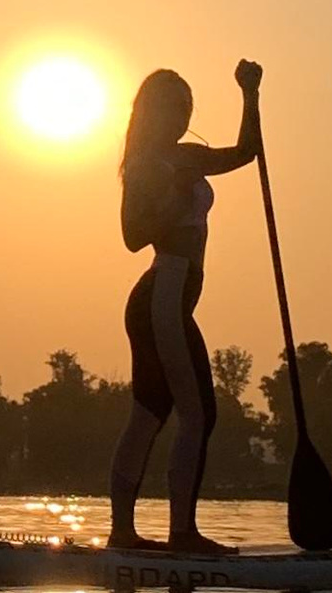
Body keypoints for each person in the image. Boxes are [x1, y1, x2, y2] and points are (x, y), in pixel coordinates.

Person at [109, 58, 261, 555]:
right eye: (172, 106)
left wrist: (250, 92)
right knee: (198, 414)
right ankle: (178, 535)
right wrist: (172, 201)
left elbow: (245, 152)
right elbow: (133, 237)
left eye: (187, 106)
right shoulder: (146, 166)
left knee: (151, 413)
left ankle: (130, 535)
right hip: (162, 294)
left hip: (171, 301)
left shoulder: (187, 156)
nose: (181, 114)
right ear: (151, 113)